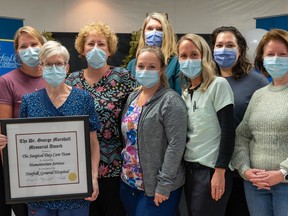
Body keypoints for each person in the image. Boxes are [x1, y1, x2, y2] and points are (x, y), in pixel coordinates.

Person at [19, 40, 100, 216]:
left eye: (59, 64)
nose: (54, 68)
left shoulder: (83, 99)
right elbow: (23, 146)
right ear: (41, 68)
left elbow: (93, 142)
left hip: (75, 189)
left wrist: (93, 177)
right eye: (49, 64)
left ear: (67, 67)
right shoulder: (29, 102)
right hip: (39, 191)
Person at [65, 21, 138, 216]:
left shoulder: (124, 78)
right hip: (79, 166)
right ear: (82, 49)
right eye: (90, 43)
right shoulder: (70, 81)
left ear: (110, 49)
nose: (95, 48)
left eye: (101, 44)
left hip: (115, 166)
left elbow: (138, 115)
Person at [120, 46, 187, 216]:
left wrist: (164, 185)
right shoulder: (132, 98)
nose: (145, 71)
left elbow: (176, 145)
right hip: (129, 182)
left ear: (161, 70)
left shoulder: (171, 101)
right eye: (141, 66)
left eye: (151, 67)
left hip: (157, 188)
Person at [210, 26, 269, 216]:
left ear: (240, 49)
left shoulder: (257, 82)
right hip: (209, 167)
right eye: (219, 45)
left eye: (230, 45)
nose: (224, 49)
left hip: (241, 171)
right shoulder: (205, 80)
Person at [232, 29, 288, 216]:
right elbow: (242, 135)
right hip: (255, 186)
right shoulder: (259, 95)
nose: (275, 59)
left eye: (282, 54)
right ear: (262, 59)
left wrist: (282, 173)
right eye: (270, 54)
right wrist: (245, 170)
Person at [177, 33, 235, 216]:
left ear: (205, 56)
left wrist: (220, 171)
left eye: (194, 54)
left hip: (211, 170)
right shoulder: (185, 93)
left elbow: (228, 131)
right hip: (189, 170)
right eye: (183, 56)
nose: (189, 60)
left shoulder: (218, 85)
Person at [0, 26, 45, 216]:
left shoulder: (55, 77)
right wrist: (11, 175)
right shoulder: (7, 81)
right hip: (21, 166)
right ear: (17, 52)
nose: (30, 49)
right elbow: (3, 133)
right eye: (23, 46)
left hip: (52, 162)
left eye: (34, 44)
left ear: (43, 46)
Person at [127, 12, 181, 95]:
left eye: (159, 29)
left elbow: (180, 97)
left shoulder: (176, 63)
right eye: (150, 28)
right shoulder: (132, 64)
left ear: (167, 34)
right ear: (143, 33)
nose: (154, 33)